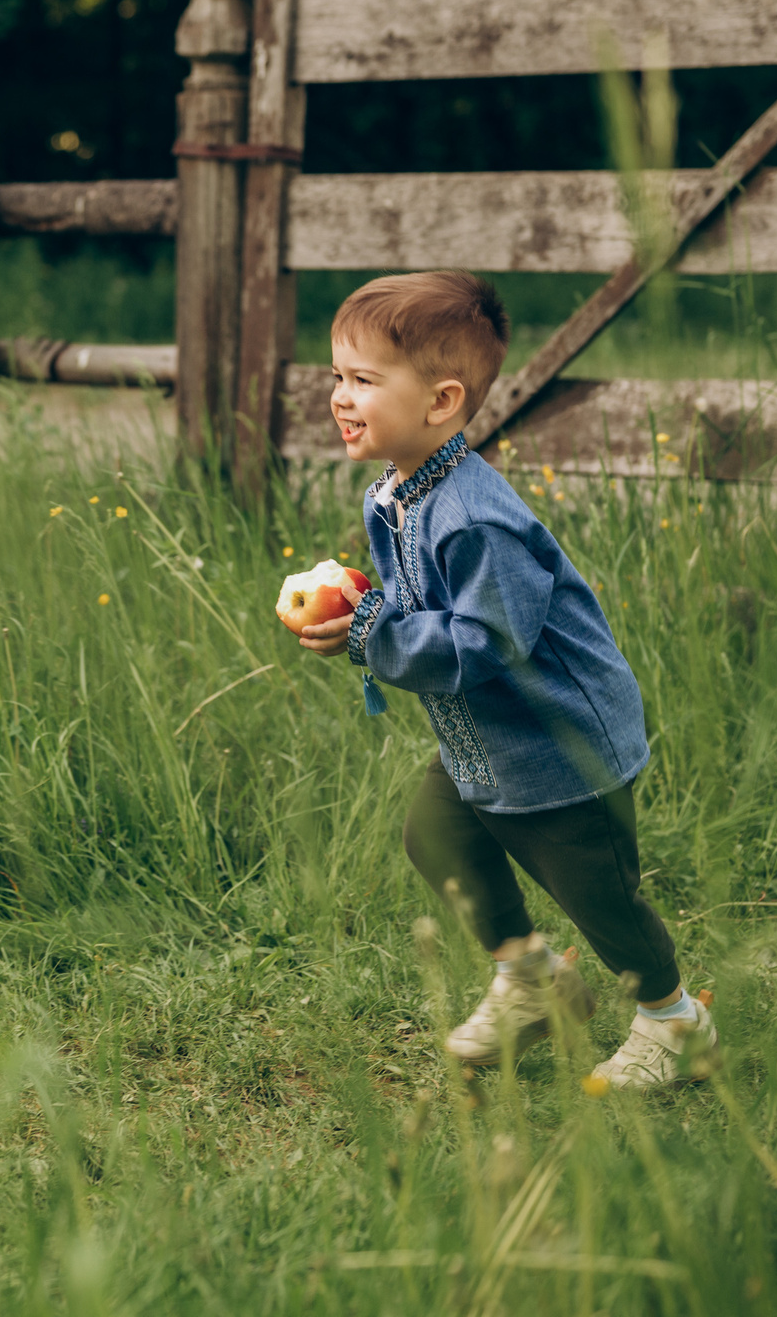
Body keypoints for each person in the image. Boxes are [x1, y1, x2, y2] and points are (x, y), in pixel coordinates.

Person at [288, 270, 715, 1090]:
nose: (340, 396)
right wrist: (365, 614)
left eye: (364, 381)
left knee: (600, 898)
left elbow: (488, 642)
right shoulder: (397, 493)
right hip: (484, 738)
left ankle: (674, 1020)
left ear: (441, 402)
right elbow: (425, 609)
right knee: (438, 837)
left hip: (560, 745)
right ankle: (532, 982)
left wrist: (375, 633)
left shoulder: (475, 518)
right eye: (337, 375)